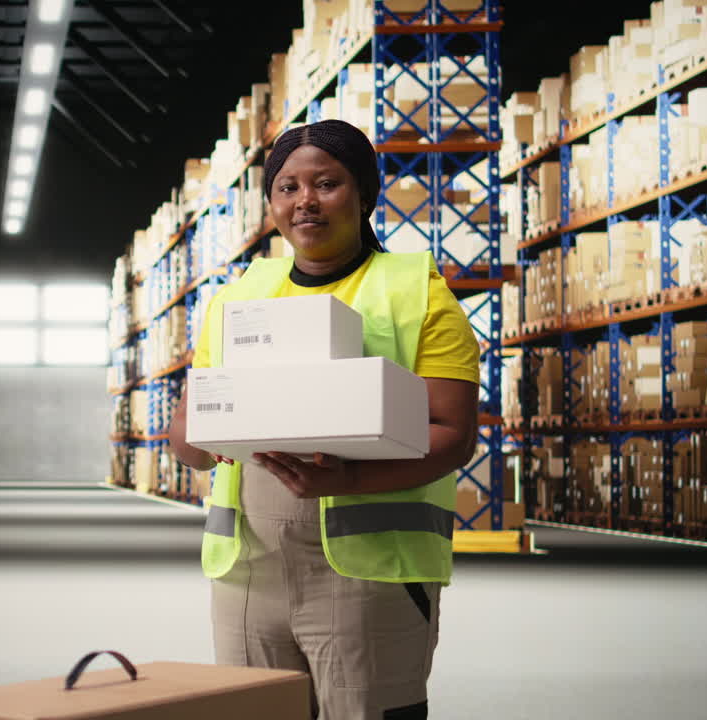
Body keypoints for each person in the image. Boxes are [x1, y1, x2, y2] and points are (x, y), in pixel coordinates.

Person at [167, 119, 480, 720]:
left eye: (327, 183)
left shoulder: (417, 292)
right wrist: (215, 435)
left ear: (365, 195)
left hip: (370, 572)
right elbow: (187, 437)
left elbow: (451, 434)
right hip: (250, 569)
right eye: (287, 187)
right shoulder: (238, 298)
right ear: (271, 203)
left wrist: (349, 480)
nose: (304, 201)